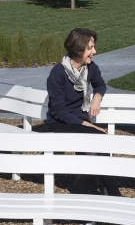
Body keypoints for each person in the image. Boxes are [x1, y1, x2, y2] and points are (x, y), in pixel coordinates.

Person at [46, 28, 121, 210]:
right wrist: (85, 123)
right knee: (96, 140)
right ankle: (111, 197)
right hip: (60, 124)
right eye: (90, 48)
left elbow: (100, 84)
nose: (94, 52)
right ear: (78, 49)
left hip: (80, 124)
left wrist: (97, 97)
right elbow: (58, 111)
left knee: (94, 145)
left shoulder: (90, 68)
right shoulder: (58, 73)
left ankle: (112, 196)